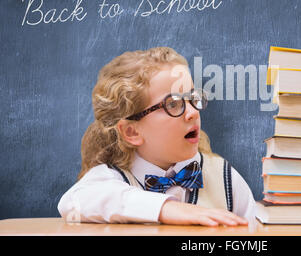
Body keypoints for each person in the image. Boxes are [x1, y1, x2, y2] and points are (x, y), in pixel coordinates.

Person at [57, 47, 256, 226]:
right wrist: (164, 208)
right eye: (173, 104)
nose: (194, 112)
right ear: (131, 132)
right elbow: (73, 201)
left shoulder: (225, 178)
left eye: (193, 98)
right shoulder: (110, 179)